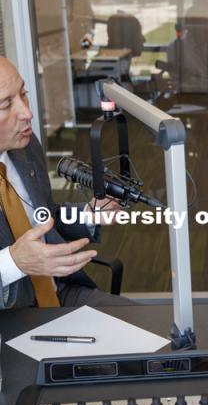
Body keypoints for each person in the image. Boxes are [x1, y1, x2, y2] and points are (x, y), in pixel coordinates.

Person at [0, 56, 133, 308]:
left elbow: (44, 216)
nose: (27, 112)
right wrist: (13, 263)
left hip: (59, 291)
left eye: (23, 93)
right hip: (11, 320)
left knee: (149, 330)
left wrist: (88, 215)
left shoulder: (24, 148)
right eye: (6, 104)